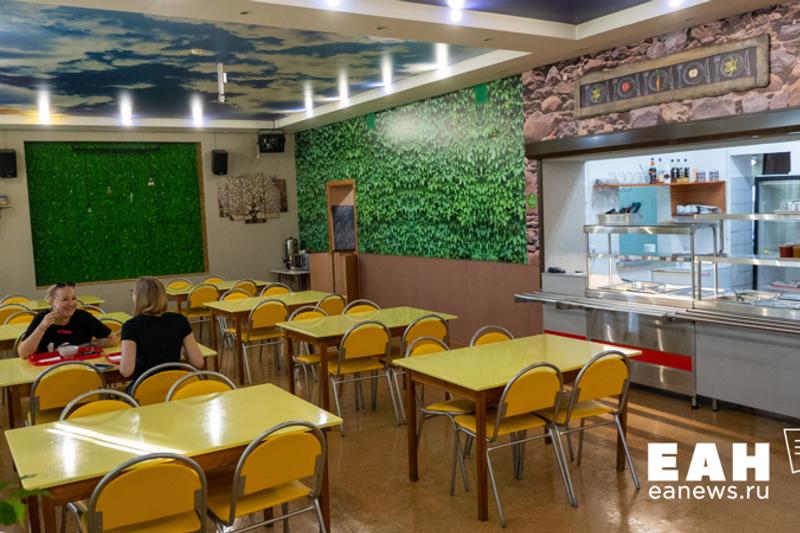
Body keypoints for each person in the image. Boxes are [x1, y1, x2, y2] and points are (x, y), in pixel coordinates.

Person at [120, 277, 204, 381]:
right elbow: (198, 362)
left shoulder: (130, 326)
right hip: (175, 384)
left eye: (133, 292)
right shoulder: (180, 320)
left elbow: (126, 371)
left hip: (145, 385)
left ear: (138, 297)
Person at [18, 282, 117, 358]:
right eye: (65, 299)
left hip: (80, 368)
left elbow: (113, 339)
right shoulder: (42, 318)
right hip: (49, 370)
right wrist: (42, 327)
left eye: (73, 298)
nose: (71, 303)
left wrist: (84, 346)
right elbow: (23, 353)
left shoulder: (83, 317)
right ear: (52, 302)